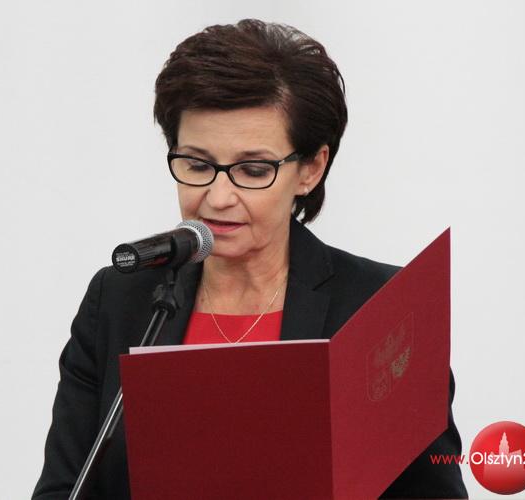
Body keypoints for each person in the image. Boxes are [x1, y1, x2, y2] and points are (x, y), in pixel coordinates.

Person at [33, 19, 467, 499]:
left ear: (311, 168)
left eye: (253, 170)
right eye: (197, 164)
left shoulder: (382, 309)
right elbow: (62, 488)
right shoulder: (120, 300)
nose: (218, 197)